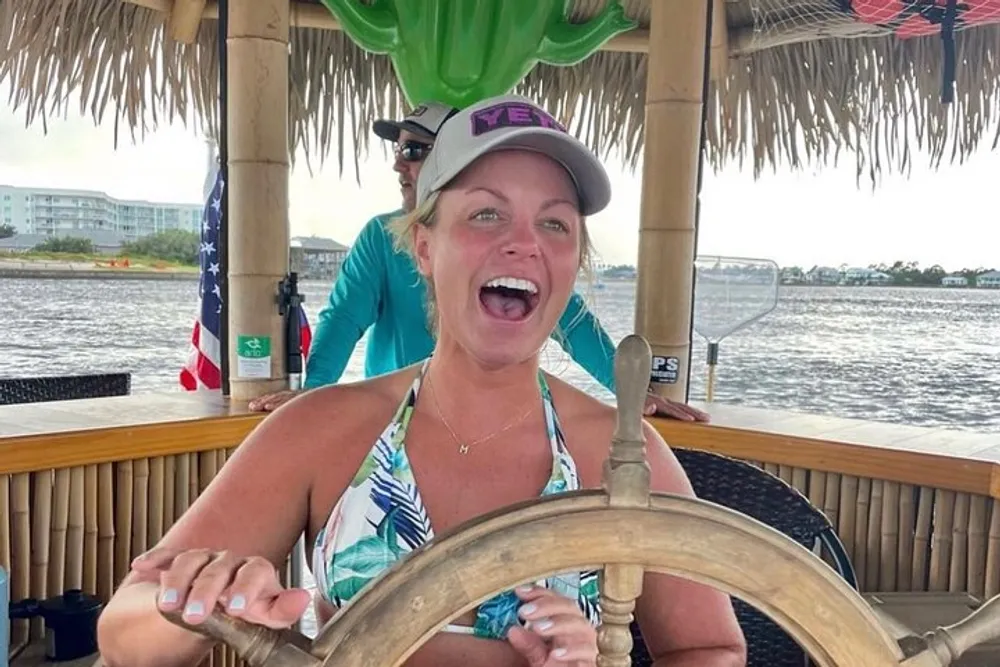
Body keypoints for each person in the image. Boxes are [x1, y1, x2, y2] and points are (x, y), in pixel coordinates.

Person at [96, 94, 745, 667]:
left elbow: (712, 648)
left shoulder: (626, 454)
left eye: (554, 222)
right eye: (487, 214)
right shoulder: (321, 430)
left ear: (573, 261)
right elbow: (124, 632)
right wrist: (191, 603)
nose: (524, 243)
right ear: (426, 248)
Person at [248, 102, 708, 423]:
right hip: (391, 423)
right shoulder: (380, 237)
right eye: (399, 152)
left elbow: (576, 327)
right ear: (424, 247)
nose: (399, 166)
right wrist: (314, 393)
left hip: (499, 421)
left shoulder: (520, 259)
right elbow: (343, 320)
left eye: (413, 151)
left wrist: (632, 396)